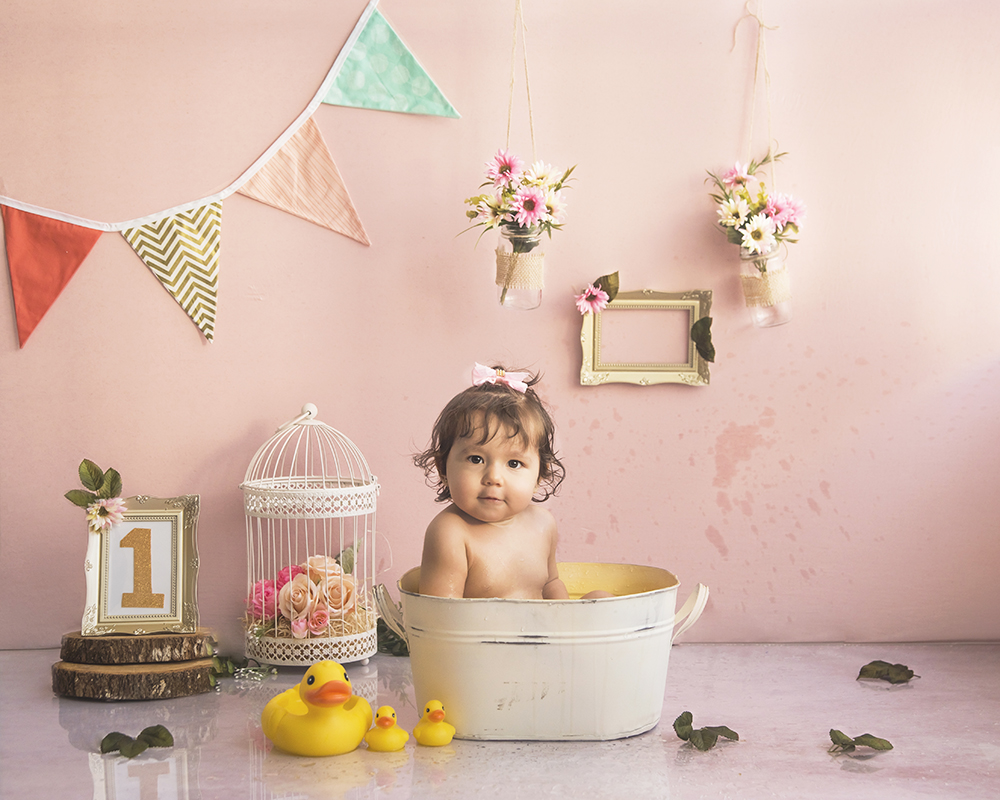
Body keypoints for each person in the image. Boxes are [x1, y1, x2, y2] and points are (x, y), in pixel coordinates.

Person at [413, 363, 571, 600]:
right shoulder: (451, 532)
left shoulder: (543, 524)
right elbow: (441, 618)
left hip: (542, 635)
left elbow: (550, 583)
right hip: (483, 637)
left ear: (540, 475)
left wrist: (570, 624)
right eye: (476, 459)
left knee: (601, 598)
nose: (493, 478)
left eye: (514, 464)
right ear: (442, 467)